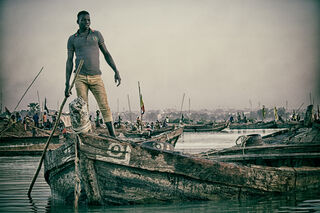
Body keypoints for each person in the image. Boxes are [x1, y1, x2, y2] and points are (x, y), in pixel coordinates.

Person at [65, 10, 121, 137]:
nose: (87, 22)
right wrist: (67, 84)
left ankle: (113, 135)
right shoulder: (72, 39)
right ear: (77, 22)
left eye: (88, 20)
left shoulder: (96, 35)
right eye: (83, 20)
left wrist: (116, 71)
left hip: (96, 77)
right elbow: (69, 61)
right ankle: (87, 136)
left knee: (104, 106)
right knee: (83, 108)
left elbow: (106, 54)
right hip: (80, 78)